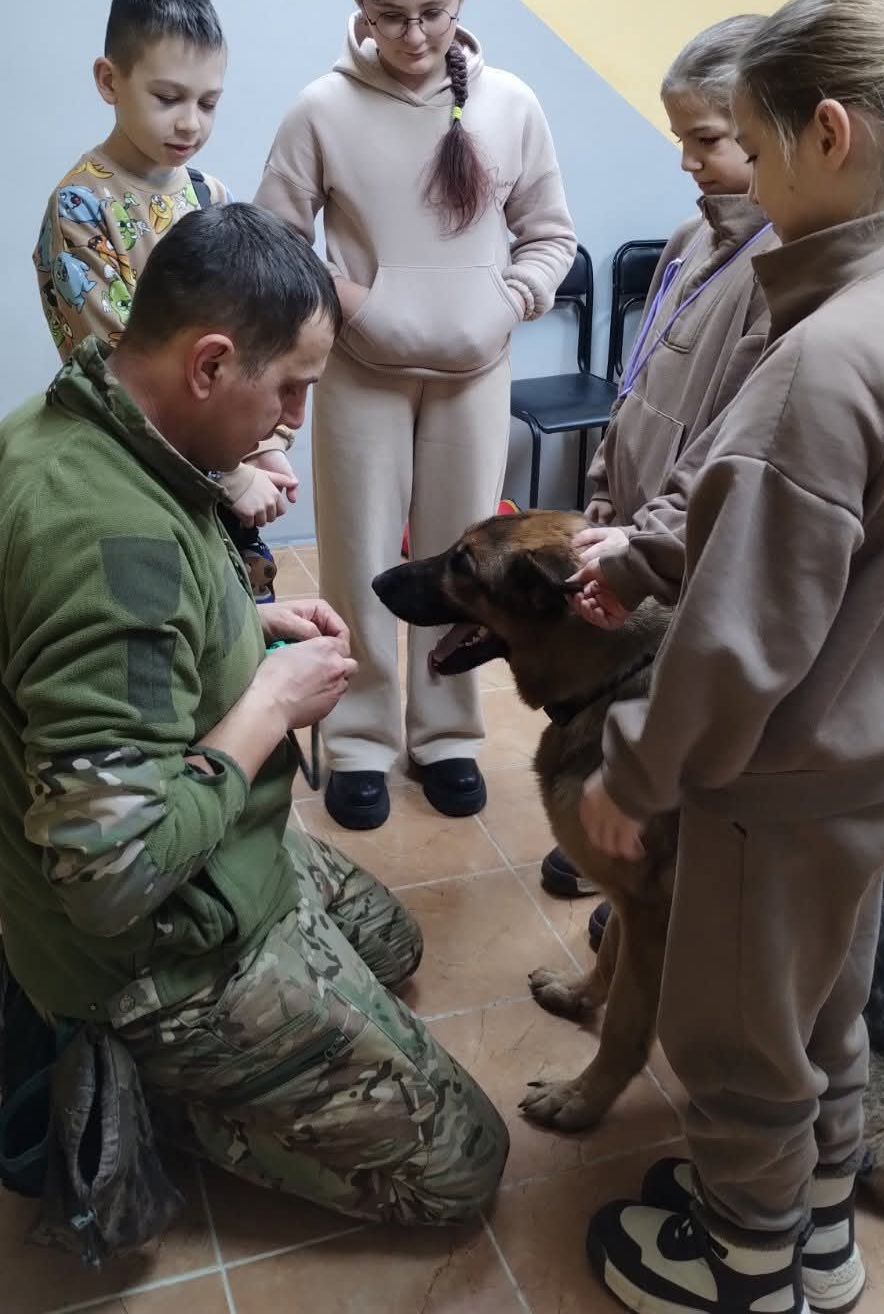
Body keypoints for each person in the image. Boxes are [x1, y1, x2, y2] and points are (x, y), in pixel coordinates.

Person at [0, 202, 508, 1225]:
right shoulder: (112, 548)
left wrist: (246, 619)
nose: (295, 420)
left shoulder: (83, 426)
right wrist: (271, 701)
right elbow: (112, 876)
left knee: (394, 947)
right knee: (465, 1166)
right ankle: (147, 1083)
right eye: (290, 389)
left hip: (220, 841)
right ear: (210, 364)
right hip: (149, 949)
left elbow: (146, 625)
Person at [579, 0, 884, 1314]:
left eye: (753, 150)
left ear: (829, 133)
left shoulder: (832, 355)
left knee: (739, 1037)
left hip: (776, 779)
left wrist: (636, 773)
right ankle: (821, 1239)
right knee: (824, 1012)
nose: (747, 185)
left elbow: (740, 635)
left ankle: (746, 1268)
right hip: (868, 766)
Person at [255, 0, 576, 830]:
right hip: (361, 371)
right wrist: (352, 303)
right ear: (359, 1)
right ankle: (359, 738)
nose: (414, 34)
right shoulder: (322, 108)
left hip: (476, 373)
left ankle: (447, 735)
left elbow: (550, 236)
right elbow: (278, 242)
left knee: (467, 560)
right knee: (358, 556)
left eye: (433, 11)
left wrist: (505, 304)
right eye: (391, 14)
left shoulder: (511, 104)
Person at [539, 16, 779, 935]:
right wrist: (604, 491)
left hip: (676, 552)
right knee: (615, 697)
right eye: (681, 139)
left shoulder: (781, 273)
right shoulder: (688, 242)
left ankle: (642, 872)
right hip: (631, 533)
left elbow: (726, 440)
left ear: (764, 129)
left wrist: (644, 539)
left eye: (707, 140)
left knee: (666, 718)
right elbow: (634, 388)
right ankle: (610, 835)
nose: (687, 160)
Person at [32, 0, 296, 599]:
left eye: (208, 103)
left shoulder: (211, 196)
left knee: (238, 619)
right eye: (168, 98)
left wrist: (264, 444)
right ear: (109, 80)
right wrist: (228, 474)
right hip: (134, 473)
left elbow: (251, 342)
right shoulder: (80, 208)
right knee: (162, 617)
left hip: (220, 464)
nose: (190, 124)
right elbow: (121, 368)